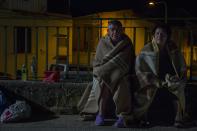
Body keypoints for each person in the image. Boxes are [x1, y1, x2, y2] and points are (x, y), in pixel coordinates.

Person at [77, 20, 136, 128]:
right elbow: (98, 62)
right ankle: (101, 114)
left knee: (122, 84)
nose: (115, 32)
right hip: (104, 73)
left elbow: (128, 61)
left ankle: (122, 116)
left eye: (118, 29)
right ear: (108, 31)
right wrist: (105, 72)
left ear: (122, 30)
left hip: (122, 73)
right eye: (112, 30)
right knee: (103, 81)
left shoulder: (127, 43)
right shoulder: (102, 42)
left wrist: (114, 72)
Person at [134, 23, 187, 127]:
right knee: (149, 92)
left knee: (177, 88)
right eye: (157, 34)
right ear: (153, 35)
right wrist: (155, 81)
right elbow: (140, 70)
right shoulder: (147, 49)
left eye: (163, 34)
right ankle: (144, 117)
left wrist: (175, 78)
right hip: (152, 81)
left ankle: (178, 118)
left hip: (168, 80)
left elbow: (180, 68)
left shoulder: (173, 49)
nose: (159, 36)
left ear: (167, 37)